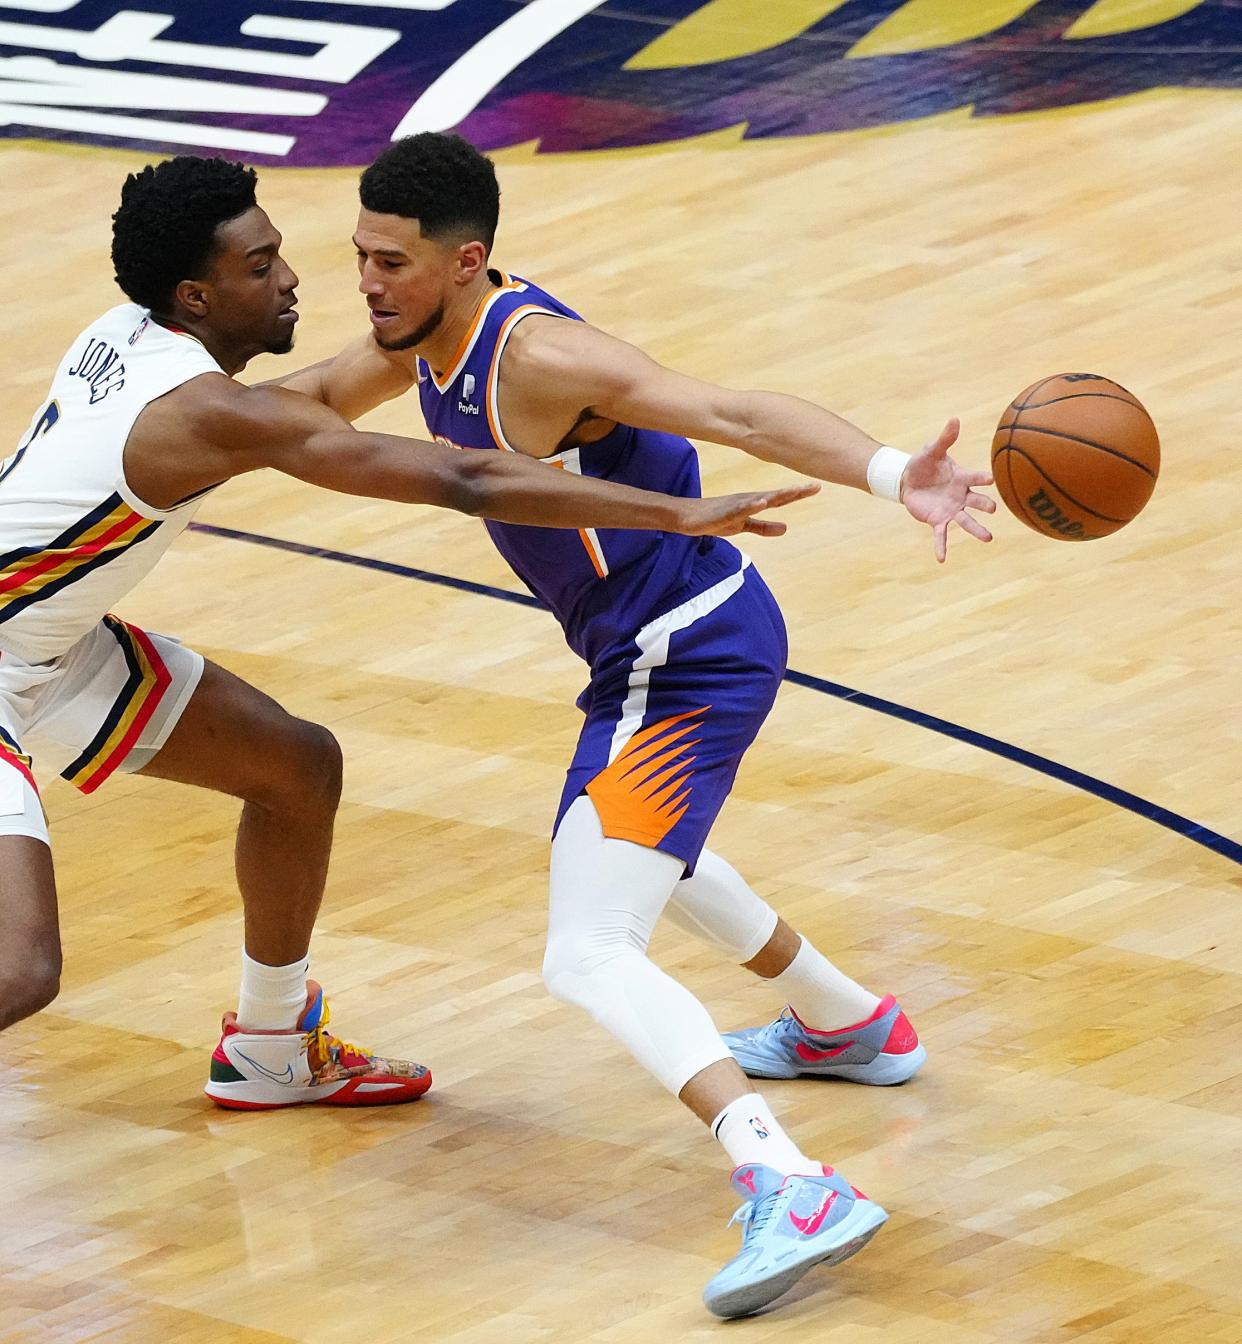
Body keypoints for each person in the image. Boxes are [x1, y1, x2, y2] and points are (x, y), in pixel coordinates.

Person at [308, 132, 996, 1317]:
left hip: (686, 658)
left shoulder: (542, 357)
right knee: (629, 849)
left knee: (586, 946)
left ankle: (789, 1179)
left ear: (467, 262)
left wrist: (893, 474)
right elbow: (297, 408)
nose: (368, 282)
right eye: (361, 256)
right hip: (651, 651)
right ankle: (848, 1023)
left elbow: (731, 410)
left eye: (393, 263)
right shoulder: (414, 338)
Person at [0, 155, 812, 1115]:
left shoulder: (130, 336)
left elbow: (309, 409)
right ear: (196, 295)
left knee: (297, 769)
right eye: (261, 268)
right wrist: (671, 512)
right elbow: (464, 477)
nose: (295, 279)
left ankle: (271, 1048)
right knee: (23, 969)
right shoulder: (207, 411)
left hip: (46, 643)